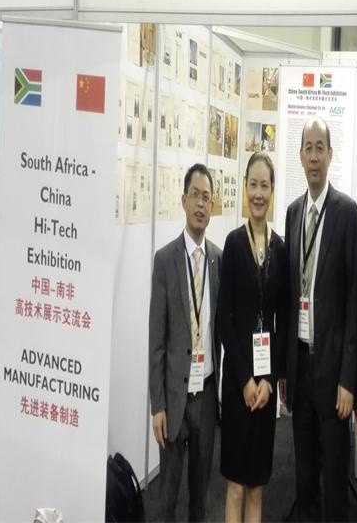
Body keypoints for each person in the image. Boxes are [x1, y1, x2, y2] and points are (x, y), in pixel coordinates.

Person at [279, 117, 357, 521]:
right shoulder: (293, 213)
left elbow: (355, 301)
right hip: (300, 366)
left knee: (335, 477)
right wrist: (283, 371)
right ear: (300, 156)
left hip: (332, 374)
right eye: (307, 148)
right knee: (304, 473)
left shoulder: (346, 212)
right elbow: (288, 297)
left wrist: (349, 379)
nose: (313, 157)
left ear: (330, 155)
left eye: (319, 148)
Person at [148, 163, 222, 522]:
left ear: (212, 205)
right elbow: (156, 341)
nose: (201, 204)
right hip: (174, 397)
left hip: (206, 395)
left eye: (207, 198)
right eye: (195, 195)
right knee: (167, 498)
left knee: (200, 498)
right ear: (183, 200)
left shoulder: (219, 260)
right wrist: (157, 405)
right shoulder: (165, 261)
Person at [218, 152, 288, 523]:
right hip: (238, 382)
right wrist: (245, 378)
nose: (259, 193)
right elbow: (224, 319)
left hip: (265, 384)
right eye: (254, 185)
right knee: (234, 485)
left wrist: (268, 380)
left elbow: (282, 322)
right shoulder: (232, 244)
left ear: (272, 191)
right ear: (246, 188)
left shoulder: (281, 249)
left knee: (257, 486)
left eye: (265, 185)